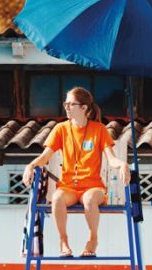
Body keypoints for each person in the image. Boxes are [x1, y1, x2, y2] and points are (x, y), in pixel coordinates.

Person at [22, 87, 130, 258]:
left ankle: (93, 239)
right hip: (69, 187)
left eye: (71, 104)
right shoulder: (61, 129)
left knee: (88, 199)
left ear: (84, 108)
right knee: (57, 198)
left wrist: (123, 165)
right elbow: (45, 157)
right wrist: (30, 165)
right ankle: (63, 241)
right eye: (66, 103)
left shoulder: (99, 129)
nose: (66, 107)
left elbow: (111, 159)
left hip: (93, 187)